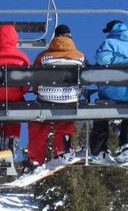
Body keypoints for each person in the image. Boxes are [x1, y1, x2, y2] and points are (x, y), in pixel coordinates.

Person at [26, 25, 85, 167]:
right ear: (70, 37)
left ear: (55, 37)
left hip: (46, 99)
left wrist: (38, 91)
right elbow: (84, 80)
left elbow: (35, 80)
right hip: (70, 98)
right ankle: (62, 150)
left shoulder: (43, 56)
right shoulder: (80, 56)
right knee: (65, 121)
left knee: (38, 124)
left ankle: (35, 159)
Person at [88, 20, 128, 164]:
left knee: (101, 112)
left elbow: (102, 62)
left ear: (111, 30)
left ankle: (98, 150)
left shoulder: (109, 43)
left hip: (110, 91)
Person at [0, 24, 30, 155]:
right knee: (15, 111)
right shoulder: (22, 58)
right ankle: (11, 138)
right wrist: (21, 90)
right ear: (15, 39)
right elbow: (27, 82)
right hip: (15, 98)